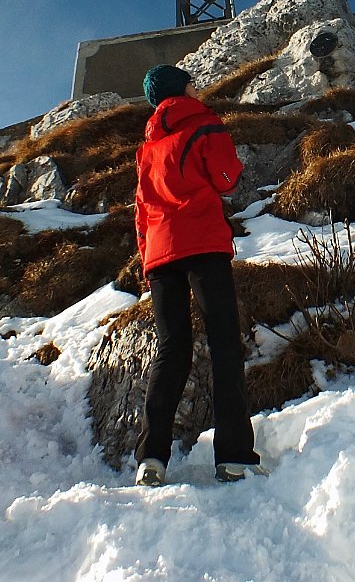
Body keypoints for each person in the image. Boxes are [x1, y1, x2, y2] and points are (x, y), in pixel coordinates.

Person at [132, 64, 262, 486]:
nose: (197, 86)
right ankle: (234, 456)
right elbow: (226, 178)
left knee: (171, 350)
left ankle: (152, 457)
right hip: (203, 242)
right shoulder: (205, 123)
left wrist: (146, 257)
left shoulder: (147, 146)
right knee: (225, 343)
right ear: (182, 89)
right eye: (192, 81)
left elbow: (140, 210)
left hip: (159, 254)